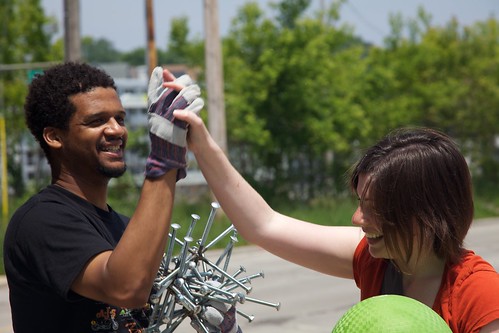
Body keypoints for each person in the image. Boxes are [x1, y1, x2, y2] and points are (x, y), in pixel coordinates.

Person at [174, 107, 499, 333]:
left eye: (375, 209)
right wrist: (200, 142)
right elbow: (264, 226)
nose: (358, 218)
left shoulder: (481, 295)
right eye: (360, 202)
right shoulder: (379, 261)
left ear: (425, 215)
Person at [3, 62, 238, 333]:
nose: (116, 130)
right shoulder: (41, 221)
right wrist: (164, 160)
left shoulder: (125, 228)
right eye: (96, 120)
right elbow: (127, 288)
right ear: (55, 137)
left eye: (120, 118)